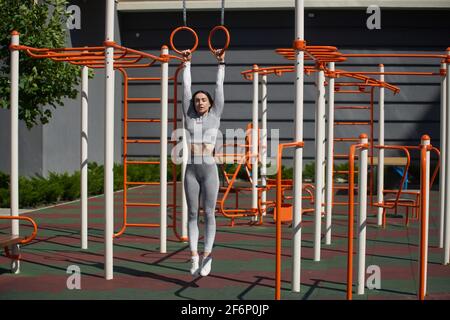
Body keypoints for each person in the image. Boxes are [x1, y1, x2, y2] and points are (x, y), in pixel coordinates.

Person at [181, 48, 225, 277]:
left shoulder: (215, 114)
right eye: (197, 100)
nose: (199, 102)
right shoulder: (189, 116)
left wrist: (221, 63)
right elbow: (186, 90)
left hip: (209, 170)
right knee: (191, 214)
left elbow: (219, 89)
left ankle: (208, 256)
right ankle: (194, 256)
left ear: (209, 103)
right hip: (191, 171)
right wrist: (187, 63)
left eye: (203, 100)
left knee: (209, 213)